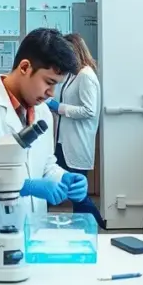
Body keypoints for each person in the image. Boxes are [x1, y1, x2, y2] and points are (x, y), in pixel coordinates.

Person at [0, 28, 86, 234]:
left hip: (30, 231)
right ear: (24, 67)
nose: (51, 93)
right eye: (48, 82)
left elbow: (45, 164)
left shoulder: (42, 112)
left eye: (56, 85)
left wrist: (63, 177)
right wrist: (23, 186)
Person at [47, 33, 106, 229]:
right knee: (63, 188)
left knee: (77, 194)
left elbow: (89, 110)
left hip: (77, 143)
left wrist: (58, 107)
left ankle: (96, 226)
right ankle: (81, 230)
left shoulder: (87, 76)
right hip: (64, 142)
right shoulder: (73, 74)